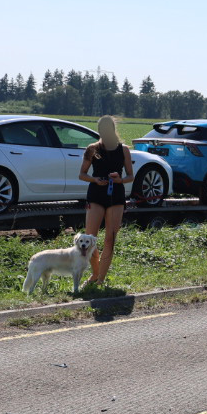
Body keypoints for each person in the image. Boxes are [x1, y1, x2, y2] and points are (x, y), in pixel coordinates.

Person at [78, 115, 134, 287]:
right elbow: (82, 174)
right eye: (101, 129)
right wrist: (95, 180)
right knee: (90, 238)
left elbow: (130, 176)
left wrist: (119, 180)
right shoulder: (92, 148)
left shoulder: (123, 150)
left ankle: (101, 279)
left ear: (112, 129)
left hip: (115, 195)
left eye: (106, 129)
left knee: (110, 238)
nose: (103, 132)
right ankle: (95, 275)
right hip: (96, 194)